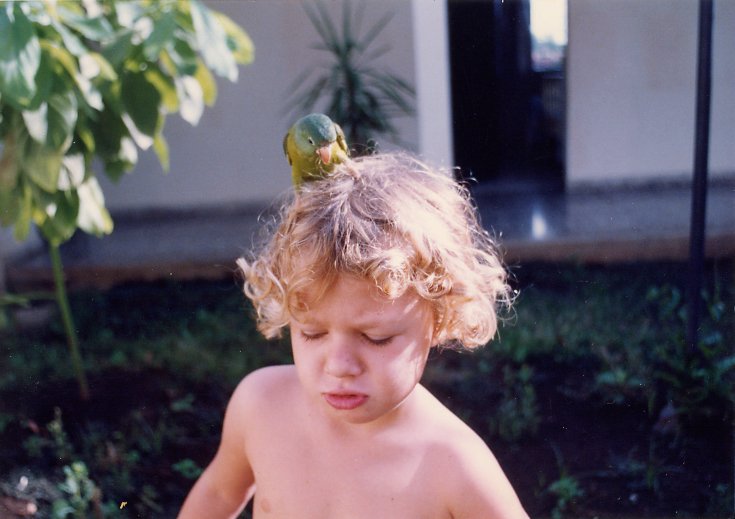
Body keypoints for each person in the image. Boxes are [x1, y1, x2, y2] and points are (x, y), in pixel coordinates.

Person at [178, 153, 529, 518]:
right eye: (312, 333)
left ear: (439, 318)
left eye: (375, 337)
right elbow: (219, 495)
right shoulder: (260, 407)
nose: (339, 366)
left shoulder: (454, 466)